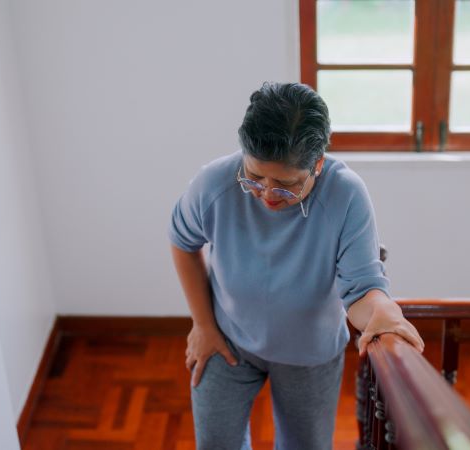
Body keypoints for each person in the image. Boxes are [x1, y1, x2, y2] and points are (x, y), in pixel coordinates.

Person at [169, 82, 424, 450]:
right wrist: (203, 325)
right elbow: (182, 240)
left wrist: (384, 310)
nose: (268, 194)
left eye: (287, 185)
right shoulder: (215, 184)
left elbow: (362, 287)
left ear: (317, 165)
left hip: (310, 353)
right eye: (255, 178)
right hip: (228, 340)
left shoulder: (346, 194)